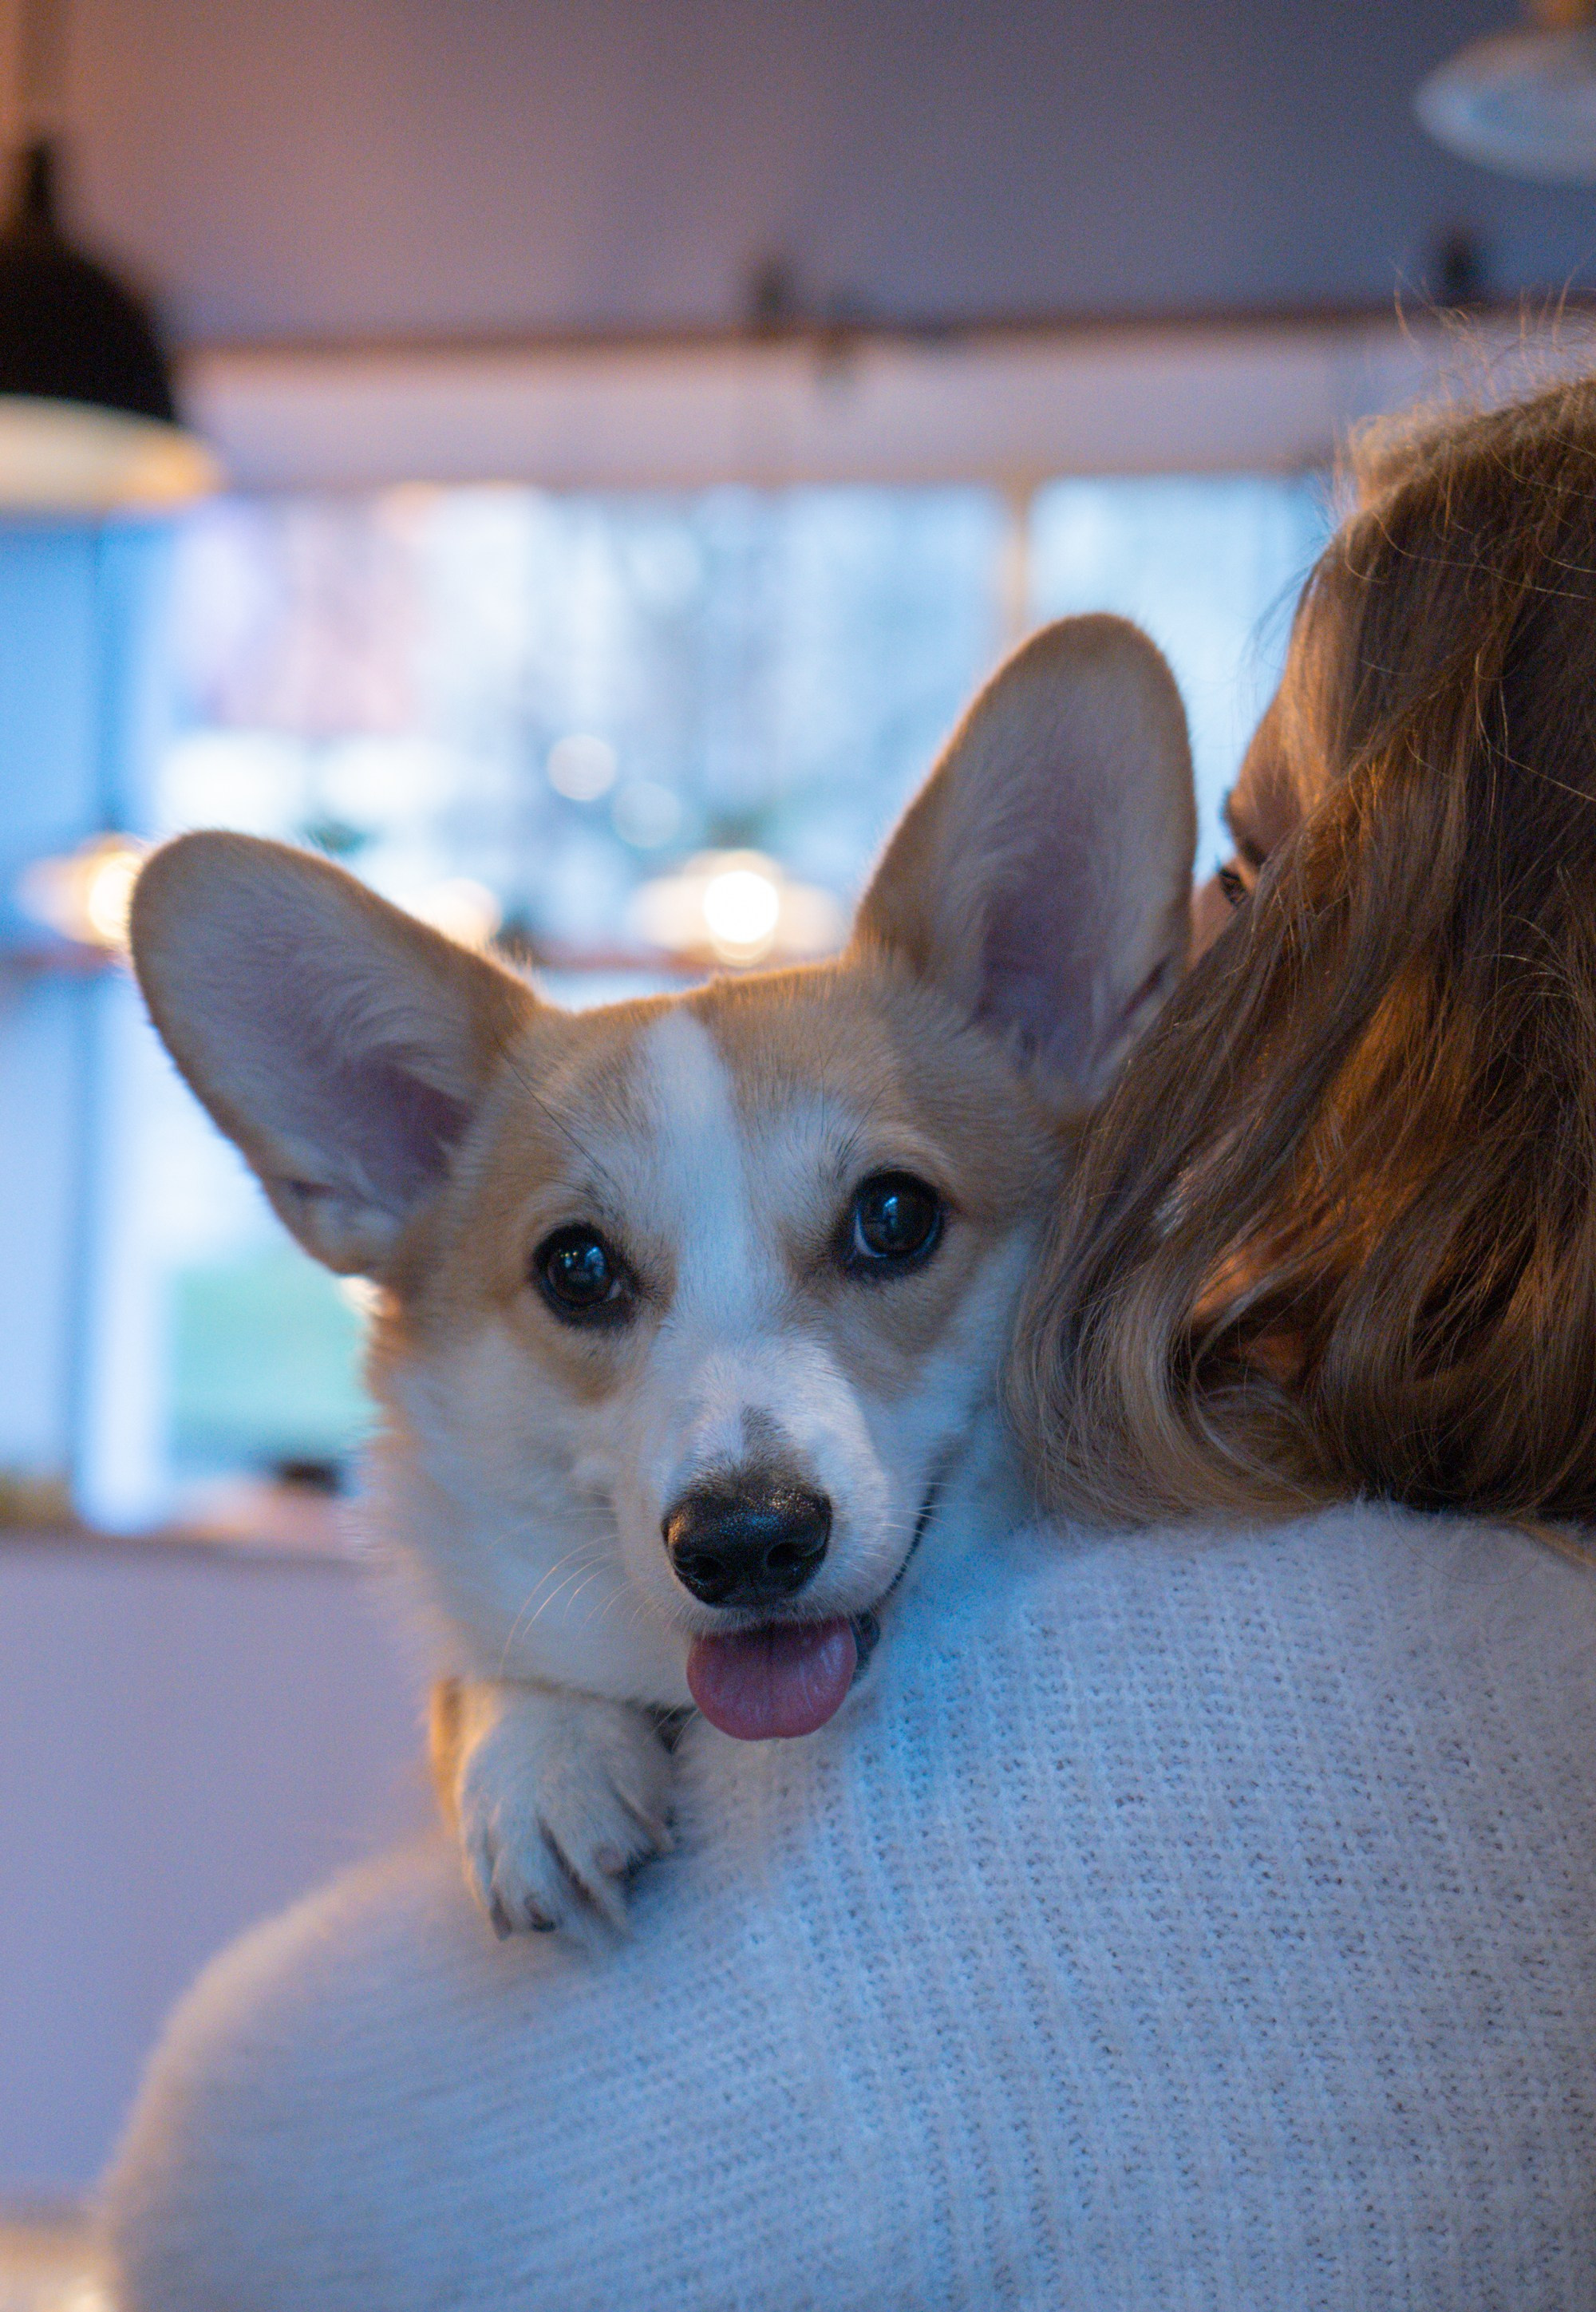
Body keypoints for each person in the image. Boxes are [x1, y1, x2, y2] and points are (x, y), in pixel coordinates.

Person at [101, 376, 1596, 2310]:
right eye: (584, 1274)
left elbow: (219, 2195)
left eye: (881, 1225)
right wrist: (522, 1704)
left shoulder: (1040, 1845)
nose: (1197, 963)